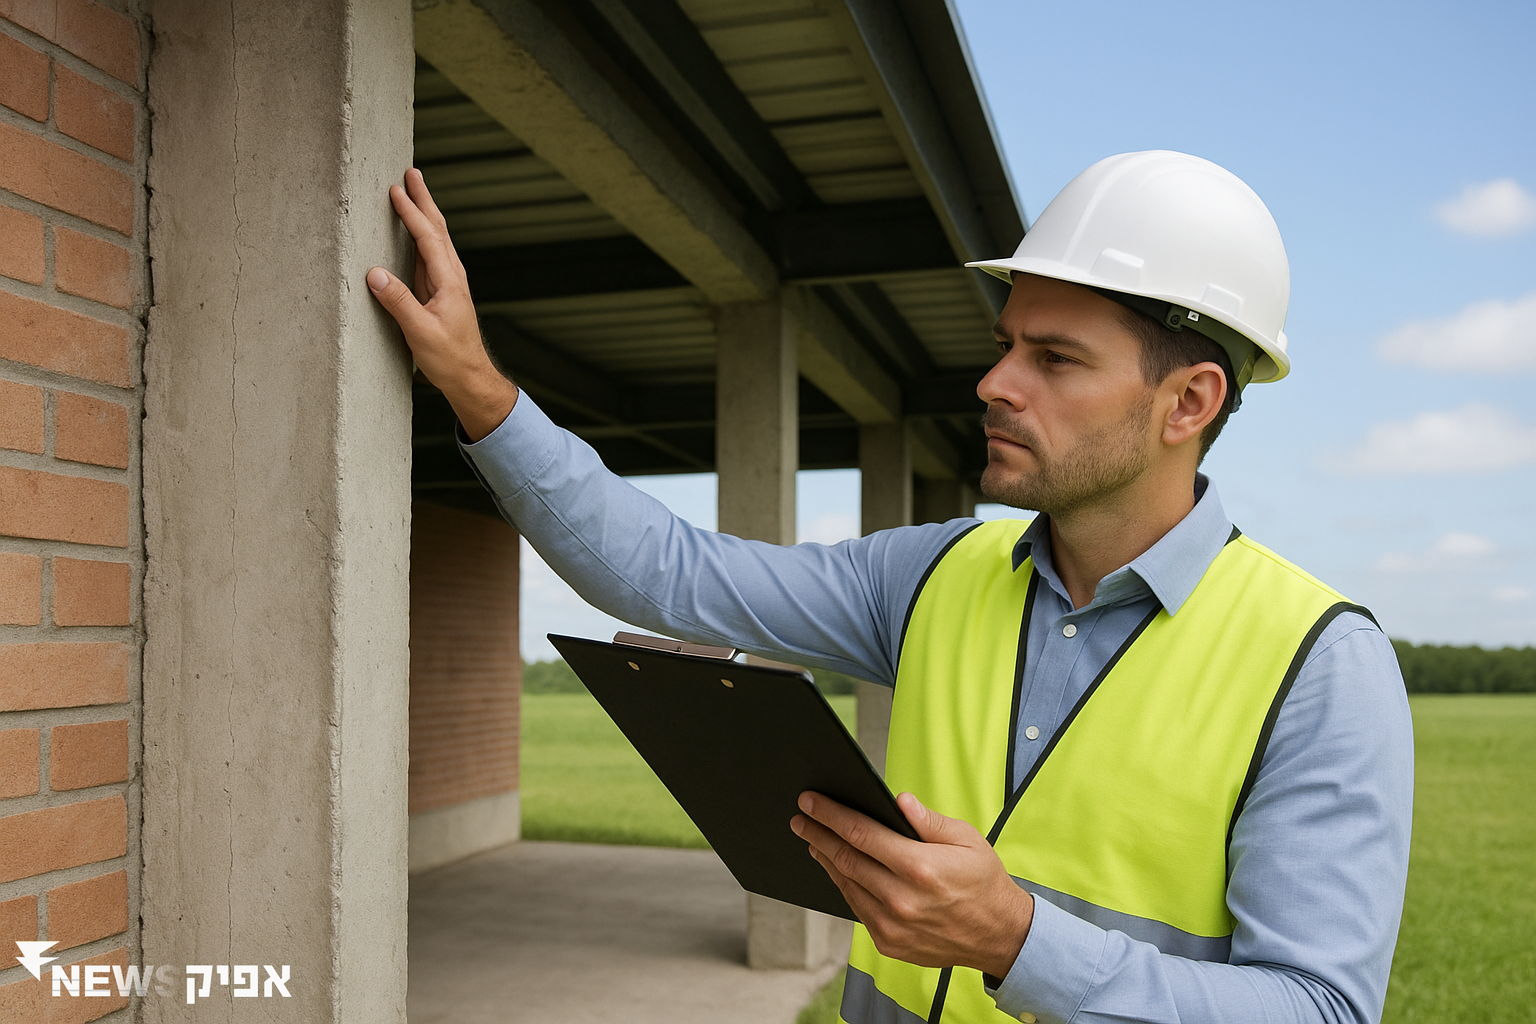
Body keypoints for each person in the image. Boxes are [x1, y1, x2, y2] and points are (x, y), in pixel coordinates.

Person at [367, 151, 1413, 1024]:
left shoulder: (1318, 663)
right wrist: (477, 385)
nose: (994, 382)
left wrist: (1017, 940)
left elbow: (1318, 1007)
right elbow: (668, 573)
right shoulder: (933, 576)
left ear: (1189, 401)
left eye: (1054, 358)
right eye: (1008, 345)